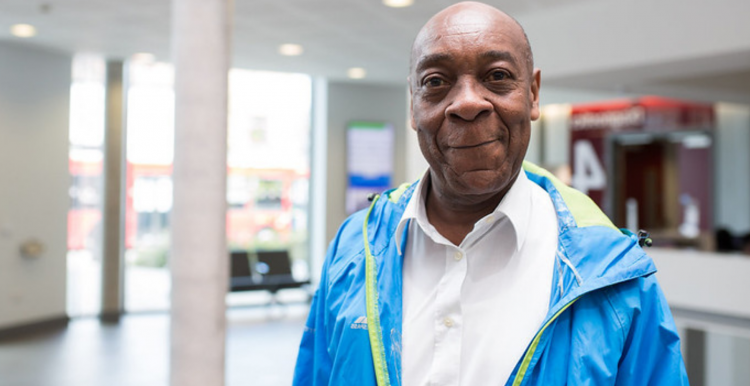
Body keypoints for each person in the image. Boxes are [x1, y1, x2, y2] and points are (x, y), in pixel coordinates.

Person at [293, 2, 689, 385]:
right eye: (435, 82)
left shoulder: (615, 277)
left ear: (533, 94)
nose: (467, 103)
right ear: (413, 106)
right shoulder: (353, 250)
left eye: (497, 76)